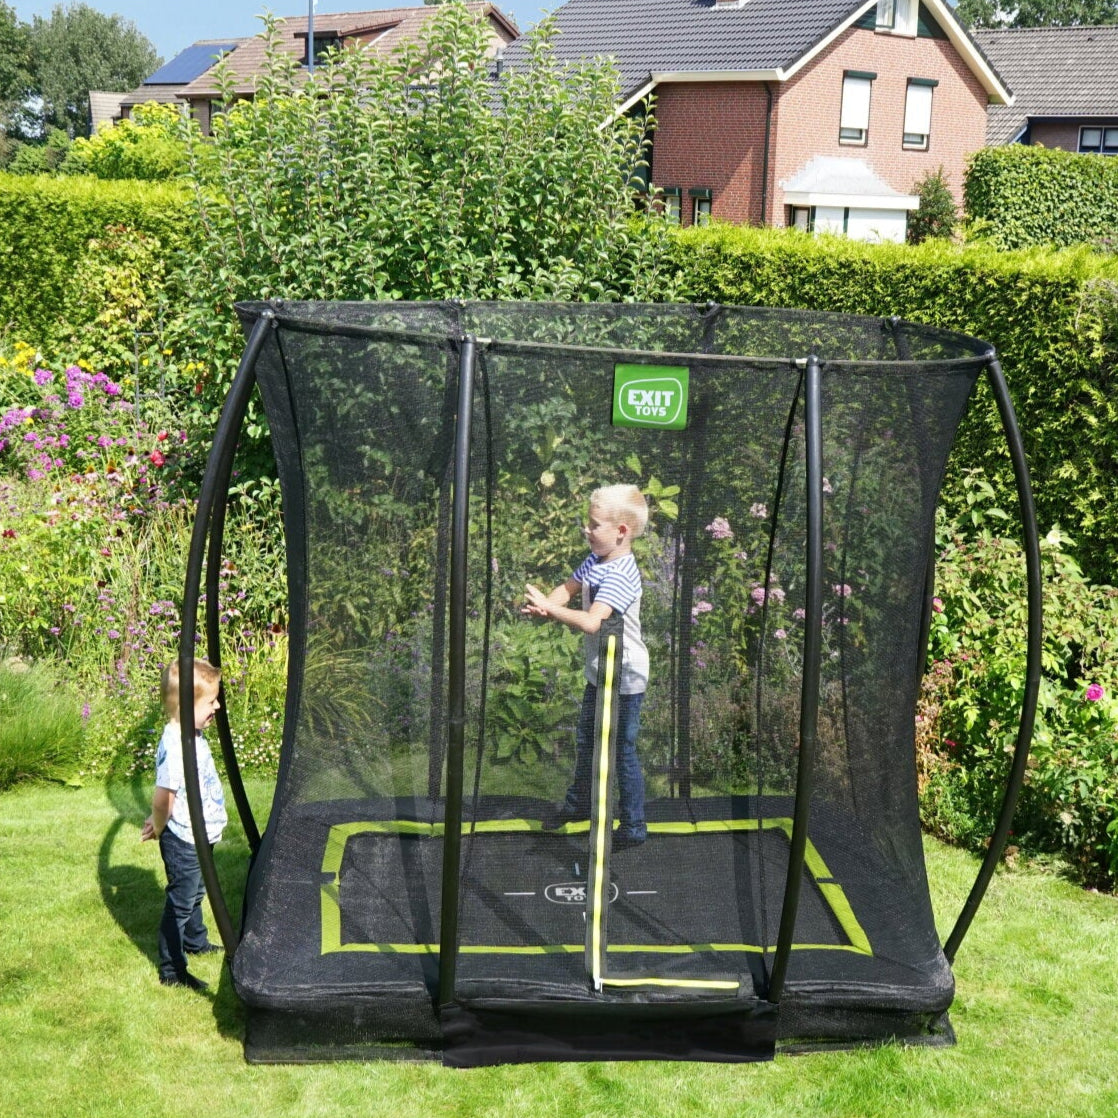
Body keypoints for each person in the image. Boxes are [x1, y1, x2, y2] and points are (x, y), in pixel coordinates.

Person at [523, 483, 649, 849]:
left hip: (625, 676)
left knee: (621, 749)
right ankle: (578, 806)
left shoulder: (622, 572)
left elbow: (593, 621)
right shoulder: (596, 560)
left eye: (594, 525)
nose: (587, 530)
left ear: (621, 532)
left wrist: (551, 611)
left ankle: (634, 827)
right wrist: (544, 605)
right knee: (586, 740)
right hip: (600, 670)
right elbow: (568, 588)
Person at [141, 658, 227, 990]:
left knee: (196, 892)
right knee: (181, 900)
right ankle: (172, 969)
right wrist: (159, 825)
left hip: (199, 832)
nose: (217, 705)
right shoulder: (176, 747)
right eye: (211, 701)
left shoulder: (189, 732)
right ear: (188, 705)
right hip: (185, 838)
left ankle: (196, 940)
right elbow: (165, 797)